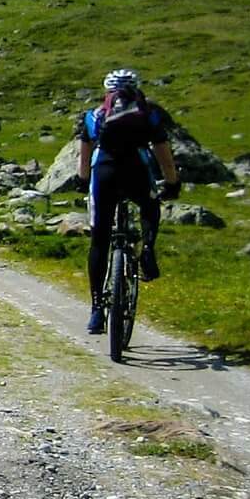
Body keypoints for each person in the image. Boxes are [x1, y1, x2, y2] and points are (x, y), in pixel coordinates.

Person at [77, 68, 181, 334]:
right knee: (149, 204)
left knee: (100, 238)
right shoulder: (149, 114)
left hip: (105, 171)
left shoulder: (94, 115)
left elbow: (85, 156)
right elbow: (163, 152)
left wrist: (82, 179)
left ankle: (97, 309)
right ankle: (147, 249)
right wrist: (171, 182)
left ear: (107, 92)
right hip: (136, 169)